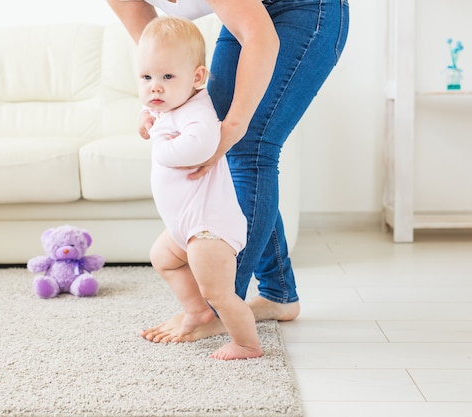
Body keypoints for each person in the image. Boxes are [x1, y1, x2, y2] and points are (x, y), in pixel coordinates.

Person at [107, 0, 350, 342]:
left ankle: (222, 305)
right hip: (247, 13)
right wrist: (155, 102)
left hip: (306, 8)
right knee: (234, 145)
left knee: (249, 146)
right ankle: (278, 293)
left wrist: (234, 126)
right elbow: (153, 48)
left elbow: (261, 37)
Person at [138, 16, 262, 360]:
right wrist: (147, 119)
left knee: (219, 292)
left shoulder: (198, 112)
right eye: (146, 77)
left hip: (209, 228)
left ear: (196, 78)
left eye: (166, 77)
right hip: (186, 226)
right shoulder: (170, 106)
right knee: (162, 259)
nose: (154, 87)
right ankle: (196, 311)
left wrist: (161, 143)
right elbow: (154, 113)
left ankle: (246, 344)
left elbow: (201, 146)